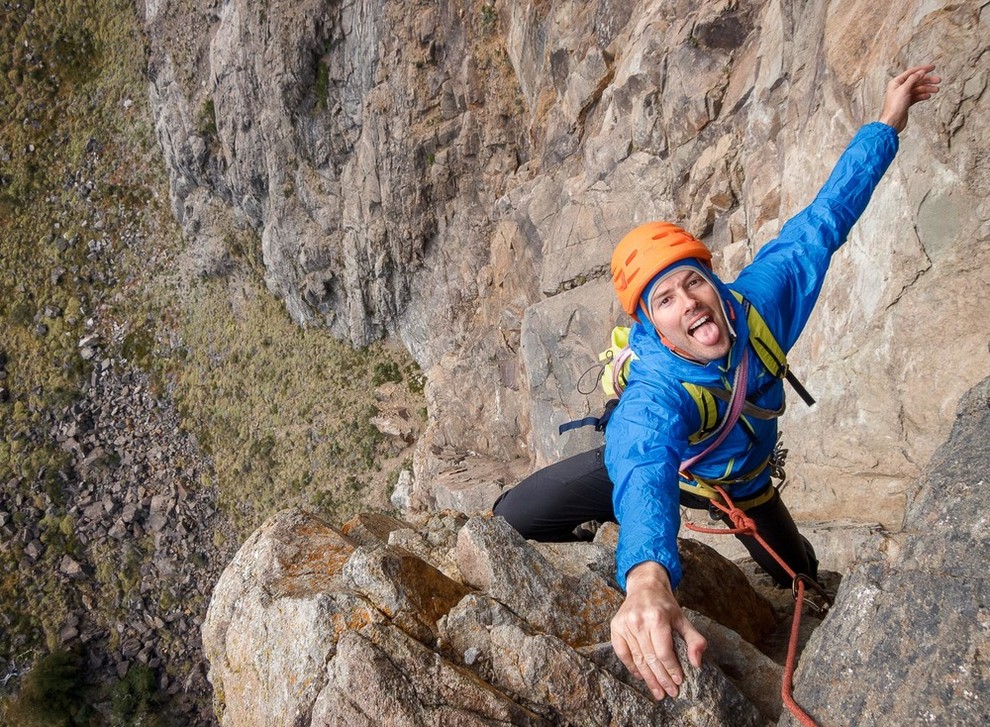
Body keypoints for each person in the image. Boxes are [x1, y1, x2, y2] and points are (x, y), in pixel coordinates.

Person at [493, 64, 940, 701]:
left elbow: (827, 217)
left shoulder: (758, 305)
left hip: (746, 485)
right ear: (650, 323)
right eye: (665, 300)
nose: (689, 303)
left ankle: (808, 590)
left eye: (692, 281)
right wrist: (646, 575)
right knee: (513, 516)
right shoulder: (656, 393)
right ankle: (600, 553)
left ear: (713, 279)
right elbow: (643, 459)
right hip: (677, 470)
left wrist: (888, 121)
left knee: (796, 567)